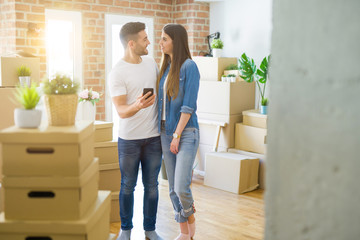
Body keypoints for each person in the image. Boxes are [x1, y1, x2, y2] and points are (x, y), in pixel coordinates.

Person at [108, 22, 163, 240]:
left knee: (151, 186)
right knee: (128, 186)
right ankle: (126, 230)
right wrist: (137, 106)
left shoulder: (150, 63)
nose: (149, 42)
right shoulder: (117, 73)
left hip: (153, 139)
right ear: (132, 44)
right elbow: (121, 110)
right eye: (144, 39)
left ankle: (150, 230)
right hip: (129, 140)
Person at [157, 23, 200, 240]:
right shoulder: (164, 69)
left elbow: (188, 105)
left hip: (186, 132)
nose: (160, 42)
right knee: (172, 189)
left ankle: (191, 219)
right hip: (165, 132)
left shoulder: (189, 67)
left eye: (164, 38)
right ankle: (184, 233)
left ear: (176, 40)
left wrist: (177, 135)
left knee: (181, 186)